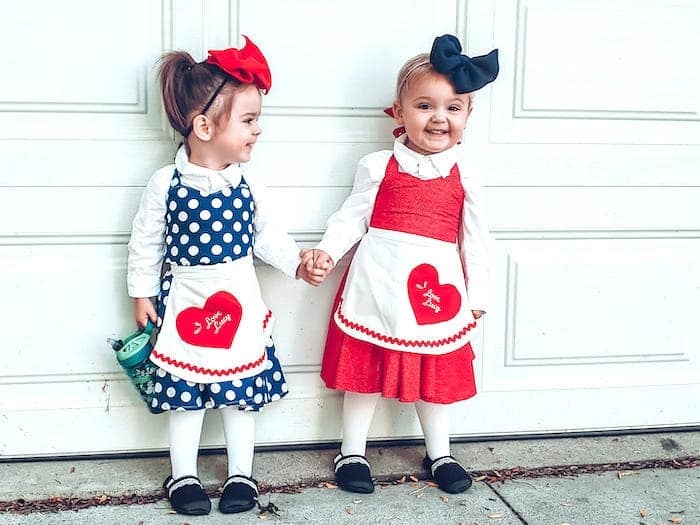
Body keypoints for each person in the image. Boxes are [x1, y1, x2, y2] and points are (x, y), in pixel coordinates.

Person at [127, 36, 321, 515]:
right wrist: (141, 292)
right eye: (249, 120)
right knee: (185, 399)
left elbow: (266, 235)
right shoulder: (166, 183)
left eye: (258, 120)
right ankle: (185, 475)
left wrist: (297, 260)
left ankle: (241, 475)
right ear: (204, 126)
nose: (258, 130)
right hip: (187, 301)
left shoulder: (247, 182)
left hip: (238, 296)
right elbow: (146, 243)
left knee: (240, 397)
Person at [304, 34, 499, 494]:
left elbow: (476, 240)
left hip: (435, 293)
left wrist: (479, 295)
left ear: (467, 117)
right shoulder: (378, 166)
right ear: (398, 111)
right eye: (425, 105)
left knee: (434, 371)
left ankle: (440, 452)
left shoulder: (465, 175)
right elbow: (351, 217)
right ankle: (352, 451)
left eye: (453, 108)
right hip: (378, 282)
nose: (438, 118)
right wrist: (326, 253)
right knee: (365, 372)